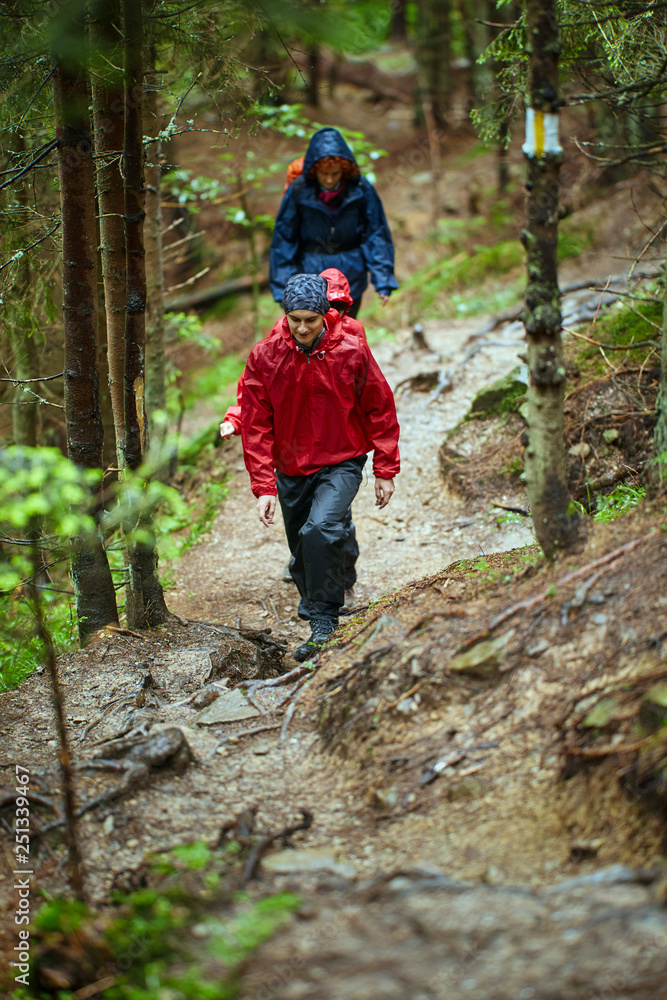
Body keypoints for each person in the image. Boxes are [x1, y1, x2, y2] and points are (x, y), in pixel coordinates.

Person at [237, 273, 400, 662]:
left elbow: (379, 406)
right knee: (302, 550)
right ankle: (321, 596)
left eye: (312, 318)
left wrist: (385, 468)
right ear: (286, 316)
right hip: (291, 468)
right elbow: (255, 424)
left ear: (325, 313)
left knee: (321, 528)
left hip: (342, 459)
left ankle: (324, 624)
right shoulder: (265, 356)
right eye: (296, 319)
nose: (304, 327)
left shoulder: (351, 349)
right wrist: (264, 488)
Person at [269, 127, 398, 317]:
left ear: (344, 170)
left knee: (345, 333)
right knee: (315, 336)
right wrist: (282, 289)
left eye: (335, 174)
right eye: (324, 174)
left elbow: (376, 233)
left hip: (351, 275)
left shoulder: (360, 188)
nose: (329, 180)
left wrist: (383, 279)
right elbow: (284, 239)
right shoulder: (299, 190)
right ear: (314, 170)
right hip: (310, 277)